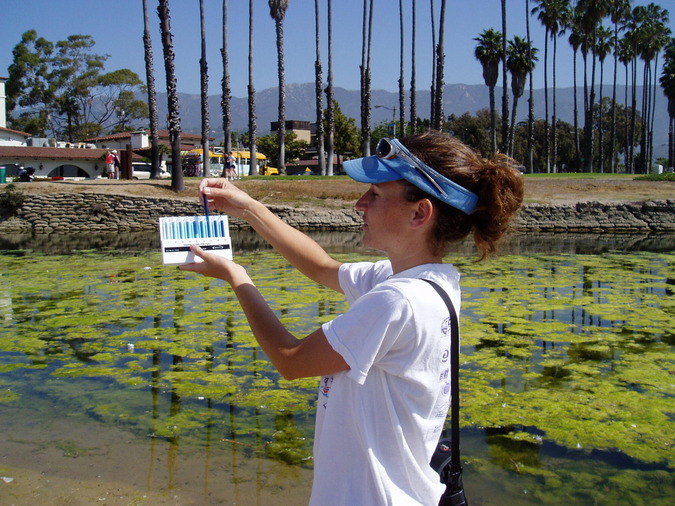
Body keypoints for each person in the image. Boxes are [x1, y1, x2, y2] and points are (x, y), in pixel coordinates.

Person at [180, 131, 524, 505]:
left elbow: (290, 360)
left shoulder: (398, 300)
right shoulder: (431, 282)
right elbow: (323, 267)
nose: (360, 204)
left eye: (375, 195)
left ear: (420, 213)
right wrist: (248, 208)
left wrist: (237, 277)